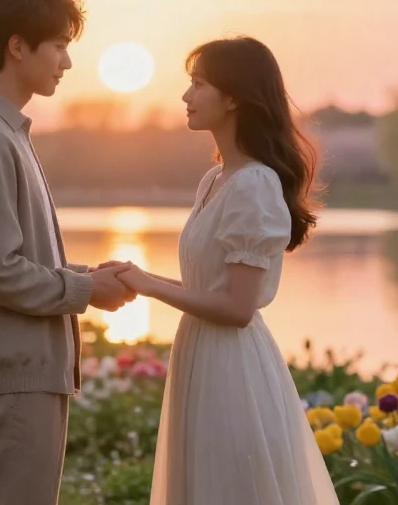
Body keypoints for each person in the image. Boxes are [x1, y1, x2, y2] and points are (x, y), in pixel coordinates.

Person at [0, 0, 136, 505]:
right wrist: (84, 291)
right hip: (11, 377)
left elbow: (10, 259)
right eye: (59, 46)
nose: (67, 62)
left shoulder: (3, 132)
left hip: (22, 373)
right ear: (18, 46)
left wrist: (86, 279)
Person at [116, 36, 339, 505]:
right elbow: (209, 287)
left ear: (234, 97)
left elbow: (237, 308)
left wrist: (150, 286)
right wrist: (139, 276)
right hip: (201, 353)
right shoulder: (216, 179)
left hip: (232, 367)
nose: (186, 96)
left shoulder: (253, 184)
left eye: (199, 84)